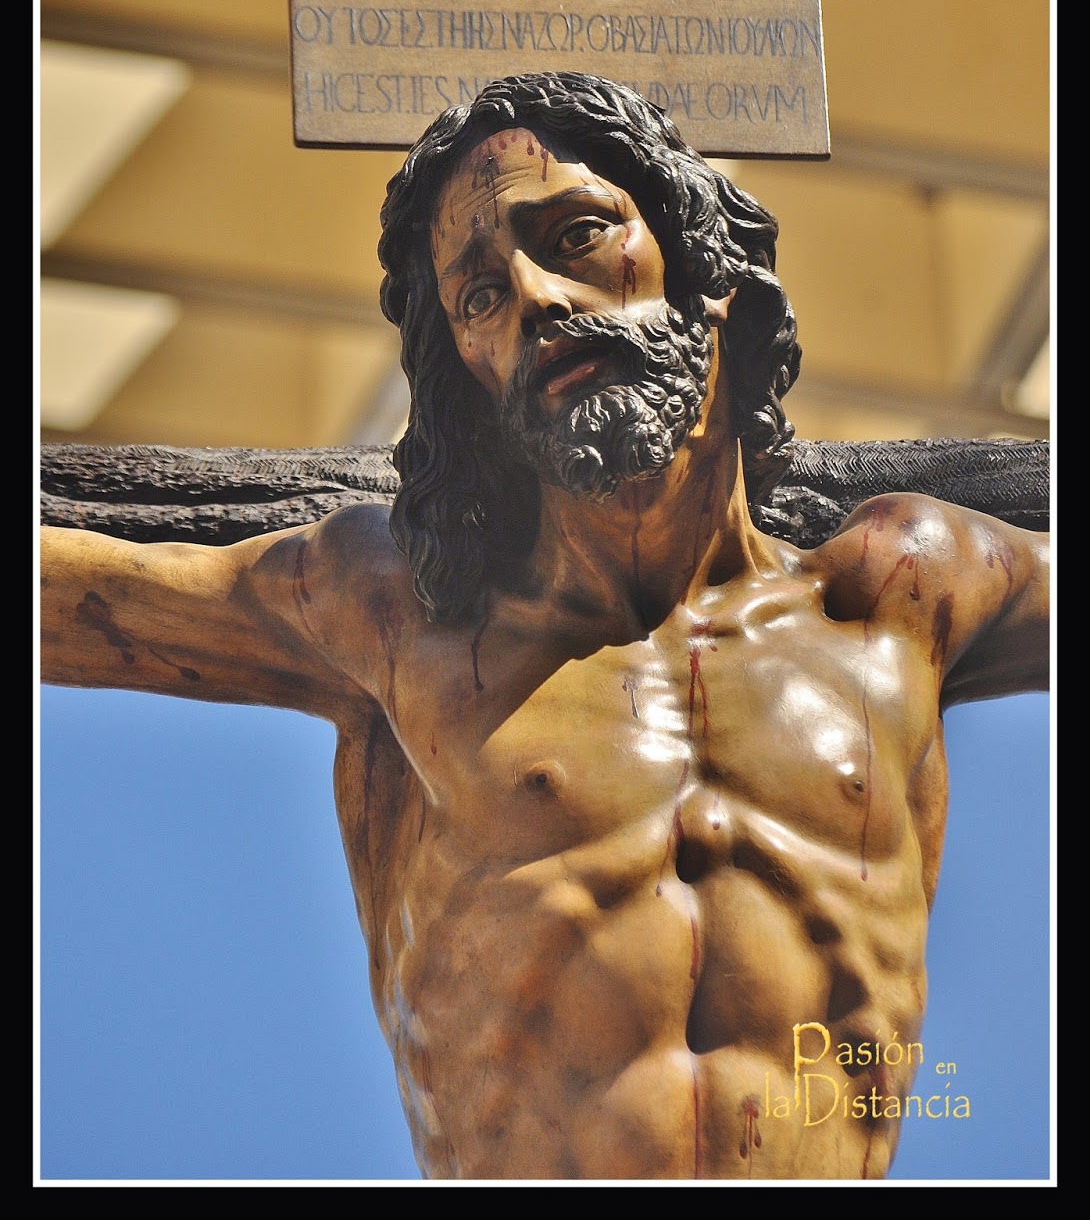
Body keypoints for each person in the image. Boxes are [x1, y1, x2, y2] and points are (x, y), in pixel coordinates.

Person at [39, 71, 1049, 1181]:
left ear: (705, 270)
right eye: (475, 297)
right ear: (465, 368)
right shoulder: (393, 620)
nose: (532, 298)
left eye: (574, 234)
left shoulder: (903, 596)